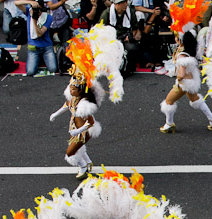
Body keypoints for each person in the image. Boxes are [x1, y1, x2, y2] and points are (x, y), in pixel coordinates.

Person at [48, 25, 124, 179]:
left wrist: (77, 131)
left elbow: (90, 122)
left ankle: (83, 167)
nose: (71, 88)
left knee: (71, 153)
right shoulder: (74, 98)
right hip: (75, 128)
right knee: (80, 148)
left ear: (81, 90)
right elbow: (67, 105)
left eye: (74, 87)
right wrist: (55, 114)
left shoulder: (85, 105)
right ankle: (88, 162)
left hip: (83, 130)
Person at [159, 0, 212, 134]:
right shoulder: (191, 51)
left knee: (169, 102)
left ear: (180, 40)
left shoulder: (182, 55)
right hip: (191, 82)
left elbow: (181, 74)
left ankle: (169, 124)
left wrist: (179, 82)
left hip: (184, 84)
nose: (175, 38)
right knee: (196, 99)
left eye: (176, 37)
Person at [15, 0, 57, 76]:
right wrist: (31, 2)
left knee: (53, 69)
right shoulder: (29, 12)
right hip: (33, 49)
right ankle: (40, 59)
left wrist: (34, 20)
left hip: (46, 47)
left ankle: (42, 58)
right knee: (30, 72)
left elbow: (39, 34)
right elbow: (16, 3)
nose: (38, 12)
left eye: (39, 10)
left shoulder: (48, 17)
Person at [101, 0, 141, 73]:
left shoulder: (130, 12)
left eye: (126, 2)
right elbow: (101, 30)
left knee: (132, 48)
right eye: (123, 3)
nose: (125, 4)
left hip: (125, 37)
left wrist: (130, 36)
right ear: (117, 4)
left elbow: (135, 28)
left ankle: (129, 69)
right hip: (111, 39)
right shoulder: (106, 13)